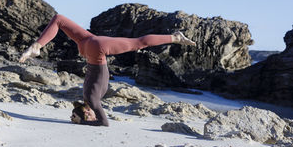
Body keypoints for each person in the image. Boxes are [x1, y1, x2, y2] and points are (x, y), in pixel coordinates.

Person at [19, 14, 195, 126]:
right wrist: (81, 118)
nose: (73, 119)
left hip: (97, 49)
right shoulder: (88, 96)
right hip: (87, 44)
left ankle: (175, 37)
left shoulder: (93, 100)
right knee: (58, 19)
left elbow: (104, 123)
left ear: (88, 113)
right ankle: (37, 45)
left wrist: (84, 123)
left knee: (139, 42)